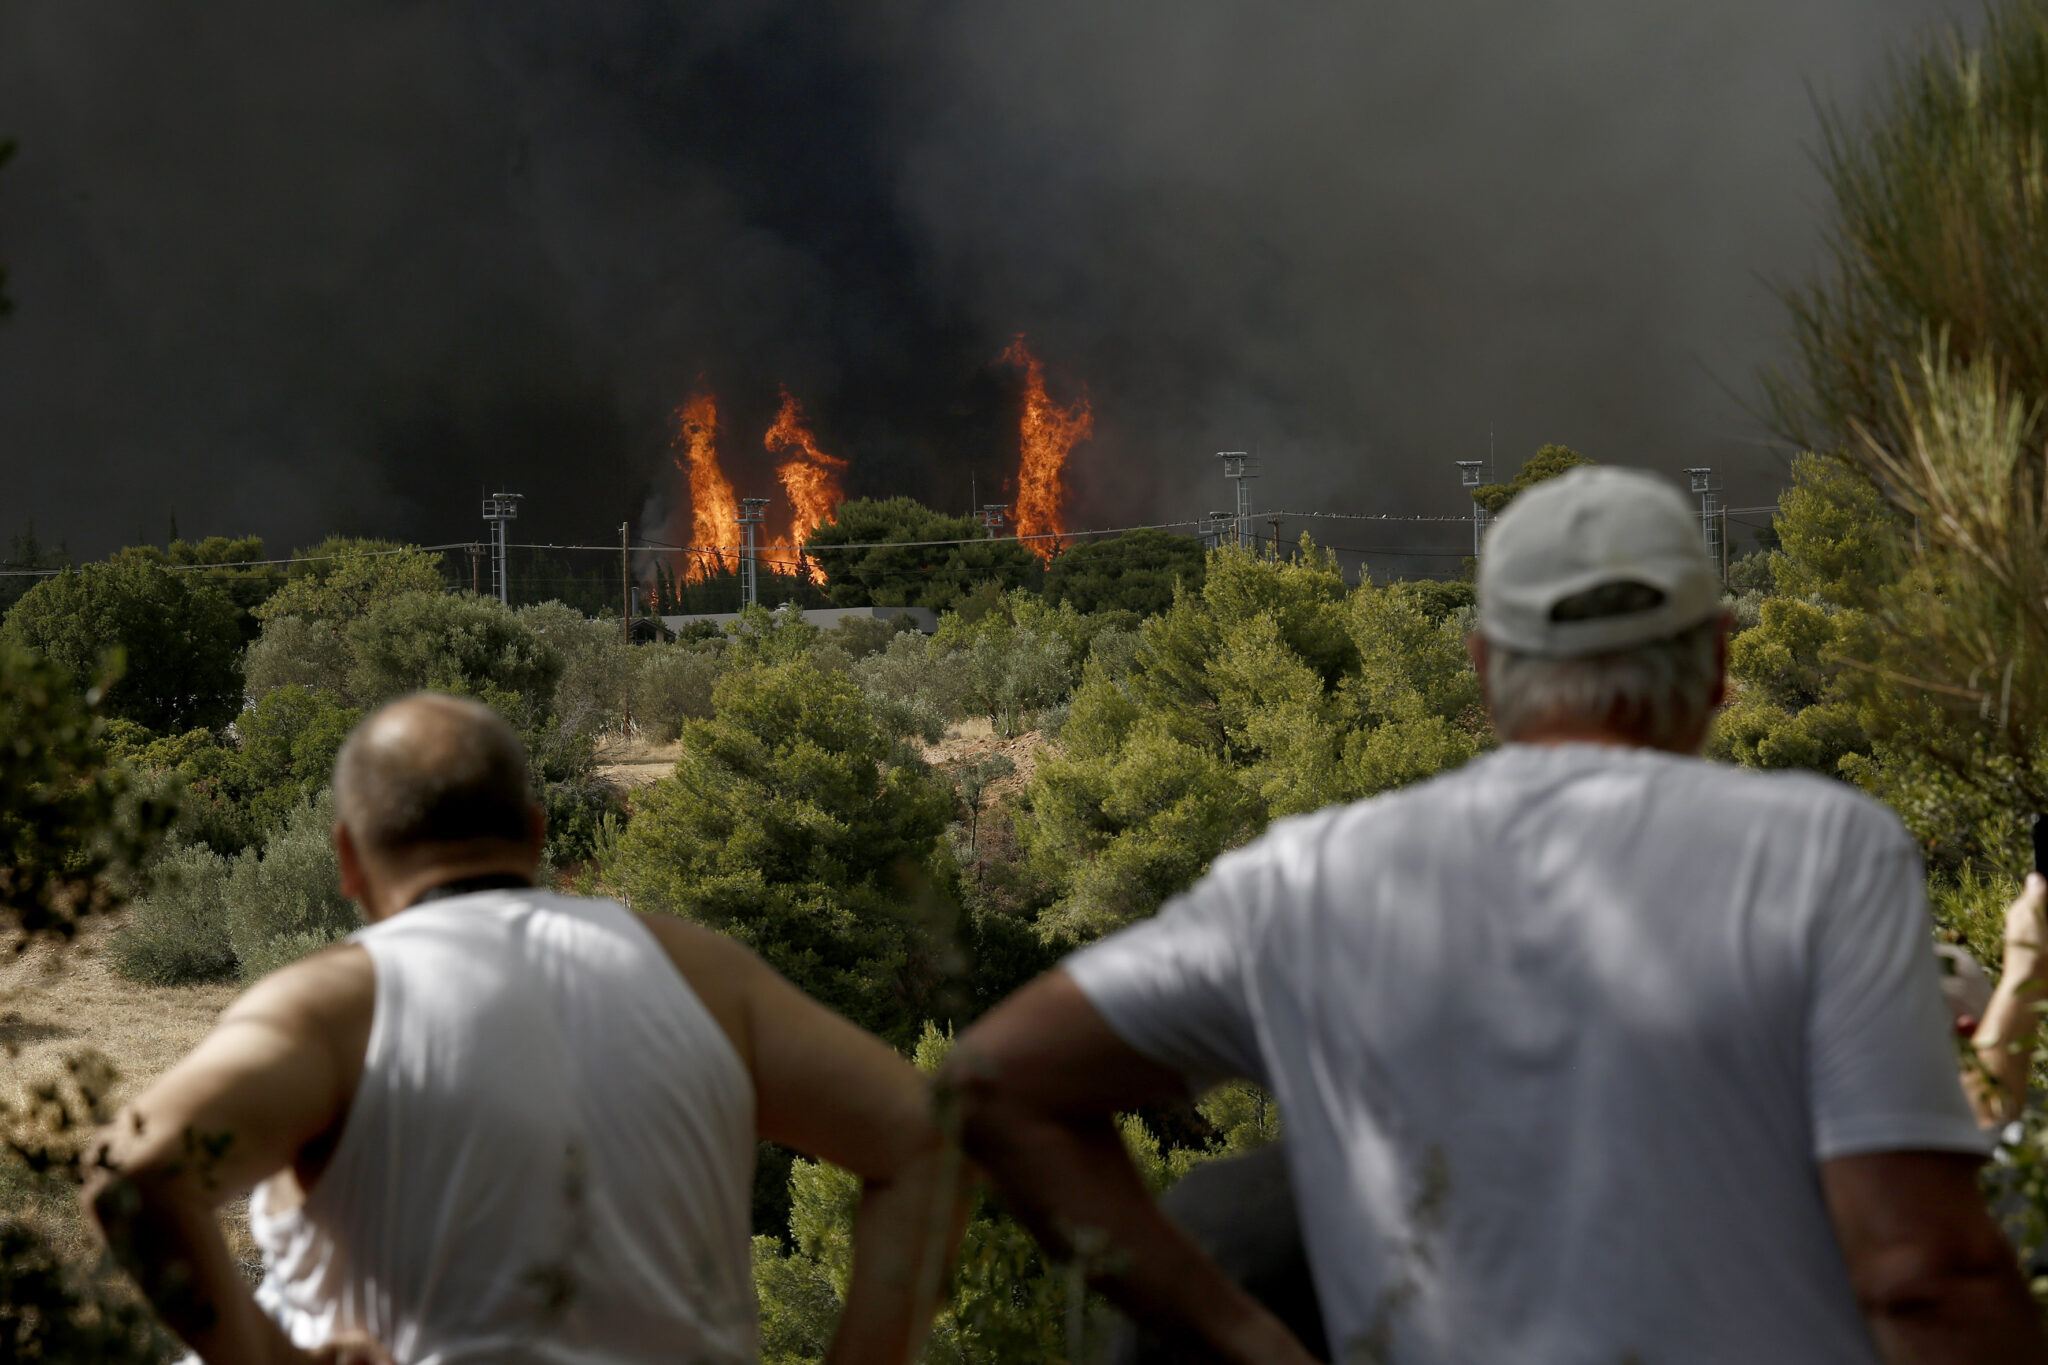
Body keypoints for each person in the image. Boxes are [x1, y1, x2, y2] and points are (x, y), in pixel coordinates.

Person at [945, 466, 2046, 1363]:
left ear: (1483, 672)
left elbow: (991, 1083)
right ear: (1716, 662)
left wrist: (1243, 1336)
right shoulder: (1823, 850)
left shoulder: (1311, 877)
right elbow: (1925, 1275)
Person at [85, 692, 957, 1365]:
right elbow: (927, 1139)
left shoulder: (335, 1006)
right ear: (535, 836)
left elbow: (136, 1168)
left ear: (348, 856)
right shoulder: (705, 975)